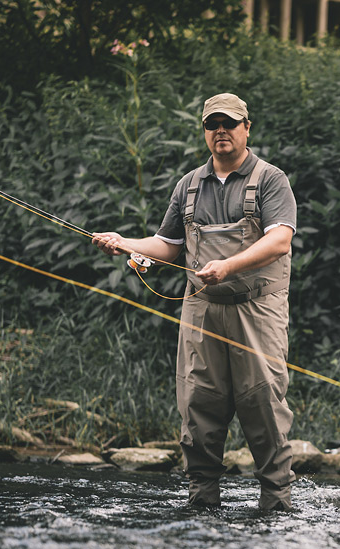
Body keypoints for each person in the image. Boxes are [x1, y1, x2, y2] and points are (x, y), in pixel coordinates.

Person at [92, 93, 297, 511]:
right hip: (201, 309)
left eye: (230, 123)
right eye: (212, 124)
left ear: (247, 128)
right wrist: (124, 242)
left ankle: (276, 502)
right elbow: (166, 245)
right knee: (198, 400)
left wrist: (227, 266)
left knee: (262, 400)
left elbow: (280, 240)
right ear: (205, 131)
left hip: (256, 308)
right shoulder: (188, 184)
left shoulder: (271, 179)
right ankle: (202, 499)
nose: (221, 130)